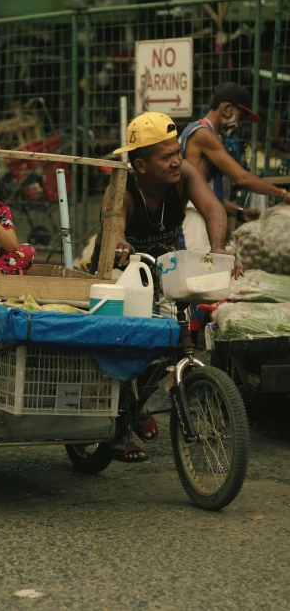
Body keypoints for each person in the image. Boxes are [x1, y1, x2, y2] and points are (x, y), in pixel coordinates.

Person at [90, 111, 229, 463]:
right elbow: (113, 225)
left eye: (176, 151)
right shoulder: (122, 188)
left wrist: (219, 248)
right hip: (120, 271)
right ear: (140, 164)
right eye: (166, 156)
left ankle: (139, 400)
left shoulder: (184, 176)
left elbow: (213, 208)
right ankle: (123, 419)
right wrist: (120, 242)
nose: (176, 160)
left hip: (162, 267)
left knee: (176, 341)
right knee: (125, 345)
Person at [180, 82, 290, 253]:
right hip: (194, 216)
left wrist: (239, 212)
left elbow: (204, 190)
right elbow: (242, 178)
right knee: (197, 272)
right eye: (241, 117)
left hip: (200, 211)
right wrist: (283, 194)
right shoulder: (204, 134)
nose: (240, 124)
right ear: (227, 109)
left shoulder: (199, 131)